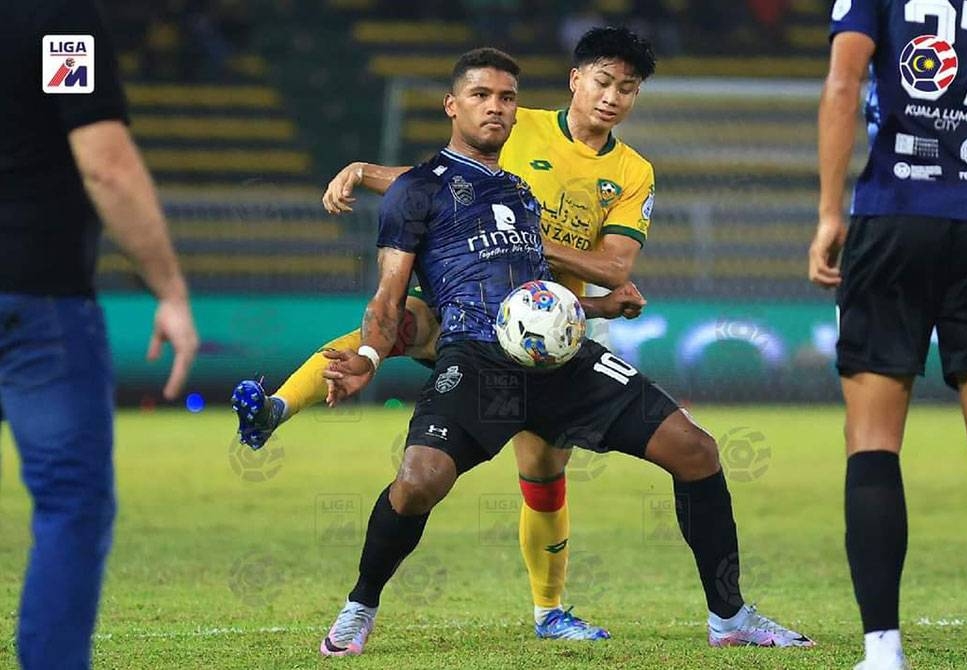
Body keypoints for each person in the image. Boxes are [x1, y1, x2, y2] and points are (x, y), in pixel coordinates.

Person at [309, 46, 812, 657]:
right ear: (451, 105)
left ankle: (729, 617)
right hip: (477, 360)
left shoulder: (522, 194)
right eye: (481, 96)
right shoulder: (414, 192)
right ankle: (360, 606)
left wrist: (599, 307)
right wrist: (367, 352)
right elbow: (390, 295)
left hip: (561, 358)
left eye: (506, 98)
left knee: (696, 450)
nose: (496, 108)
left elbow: (530, 281)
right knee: (418, 482)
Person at [234, 26, 663, 640]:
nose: (612, 98)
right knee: (396, 323)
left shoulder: (632, 171)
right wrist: (366, 171)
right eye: (603, 82)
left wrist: (560, 268)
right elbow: (441, 180)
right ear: (576, 80)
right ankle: (278, 407)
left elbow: (616, 265)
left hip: (544, 320)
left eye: (627, 89)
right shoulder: (518, 124)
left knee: (544, 468)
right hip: (468, 299)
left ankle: (548, 610)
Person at [1, 2, 199, 668]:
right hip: (36, 302)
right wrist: (169, 289)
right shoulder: (59, 21)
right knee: (68, 503)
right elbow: (106, 166)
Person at [808, 2, 967, 669]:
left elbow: (842, 85)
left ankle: (883, 650)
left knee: (872, 439)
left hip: (896, 212)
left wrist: (831, 213)